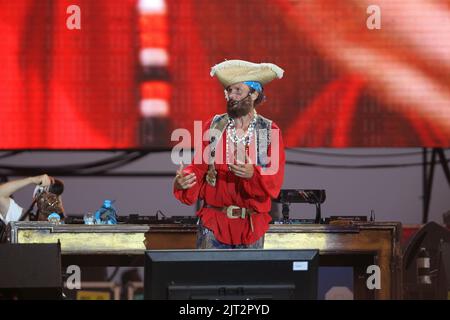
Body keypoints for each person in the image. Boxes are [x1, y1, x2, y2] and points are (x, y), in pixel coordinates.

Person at [173, 60, 285, 249]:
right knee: (209, 279)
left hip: (251, 226)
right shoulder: (214, 126)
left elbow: (275, 176)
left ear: (254, 93)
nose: (231, 96)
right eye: (228, 91)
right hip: (214, 224)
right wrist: (184, 180)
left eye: (238, 91)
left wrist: (254, 174)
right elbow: (198, 168)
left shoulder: (268, 130)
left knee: (250, 279)